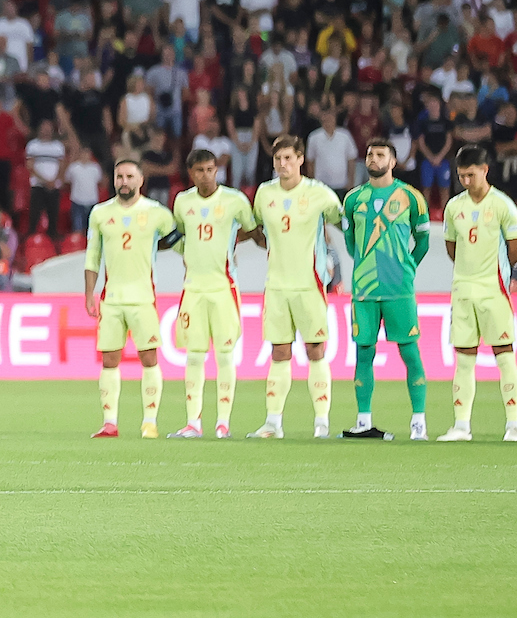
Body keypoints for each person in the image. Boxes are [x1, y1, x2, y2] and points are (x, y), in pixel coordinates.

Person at [248, 135, 348, 440]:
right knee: (279, 352)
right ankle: (273, 423)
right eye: (278, 159)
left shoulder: (320, 194)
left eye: (288, 158)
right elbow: (255, 228)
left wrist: (334, 267)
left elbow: (342, 223)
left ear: (301, 159)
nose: (282, 164)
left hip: (310, 285)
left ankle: (321, 423)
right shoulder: (264, 194)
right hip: (276, 286)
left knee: (315, 350)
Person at [341, 139, 432, 441]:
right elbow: (352, 243)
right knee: (363, 352)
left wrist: (406, 268)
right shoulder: (353, 199)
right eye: (370, 154)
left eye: (381, 155)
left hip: (399, 289)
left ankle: (418, 421)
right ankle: (363, 420)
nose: (374, 159)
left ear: (393, 161)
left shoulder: (411, 197)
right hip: (364, 290)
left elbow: (423, 243)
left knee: (410, 352)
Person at [436, 144, 517, 443]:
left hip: (494, 291)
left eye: (471, 175)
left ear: (485, 170)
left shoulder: (503, 205)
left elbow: (516, 250)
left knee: (504, 355)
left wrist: (497, 273)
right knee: (464, 358)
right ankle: (461, 426)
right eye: (461, 176)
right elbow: (452, 247)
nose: (465, 181)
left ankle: (513, 425)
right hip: (463, 291)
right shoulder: (453, 207)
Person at [83, 159, 178, 439]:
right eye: (119, 176)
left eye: (129, 176)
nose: (124, 181)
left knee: (149, 358)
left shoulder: (156, 213)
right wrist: (89, 292)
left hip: (143, 298)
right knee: (110, 359)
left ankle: (149, 421)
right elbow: (92, 257)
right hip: (111, 299)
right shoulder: (100, 213)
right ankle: (109, 422)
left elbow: (175, 242)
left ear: (140, 180)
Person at [169, 148, 259, 439]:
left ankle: (223, 422)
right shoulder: (182, 202)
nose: (206, 175)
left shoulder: (235, 201)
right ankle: (193, 422)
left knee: (224, 355)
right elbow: (181, 234)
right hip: (193, 288)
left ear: (217, 170)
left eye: (210, 169)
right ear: (191, 173)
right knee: (194, 356)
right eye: (199, 171)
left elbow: (252, 230)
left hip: (223, 287)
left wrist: (230, 242)